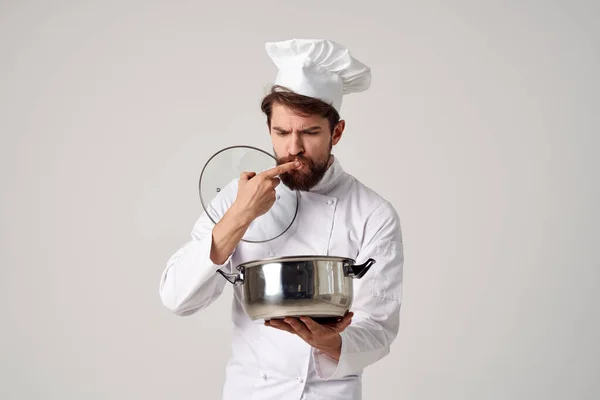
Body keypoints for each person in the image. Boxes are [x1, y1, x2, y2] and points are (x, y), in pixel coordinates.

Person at [159, 38, 404, 400]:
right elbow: (177, 298)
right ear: (269, 131)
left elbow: (379, 328)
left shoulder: (373, 213)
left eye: (310, 132)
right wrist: (239, 217)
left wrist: (332, 341)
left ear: (336, 132)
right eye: (282, 132)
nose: (294, 149)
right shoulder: (238, 196)